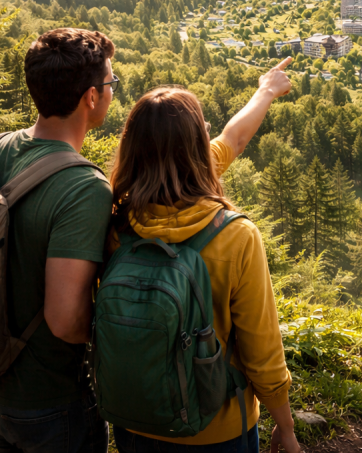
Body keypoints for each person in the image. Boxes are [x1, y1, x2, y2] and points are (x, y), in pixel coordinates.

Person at [107, 57, 301, 453]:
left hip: (135, 420)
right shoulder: (235, 237)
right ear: (196, 145)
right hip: (218, 429)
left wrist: (265, 91)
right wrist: (287, 427)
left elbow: (234, 140)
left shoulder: (115, 224)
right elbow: (262, 353)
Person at [0, 28, 118, 453]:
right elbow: (65, 320)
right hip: (49, 402)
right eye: (111, 84)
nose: (112, 92)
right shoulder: (83, 188)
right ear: (90, 96)